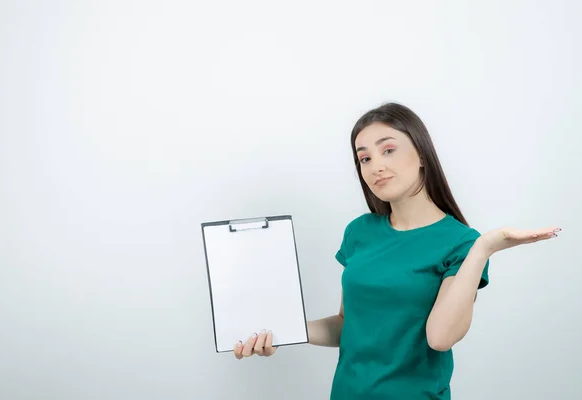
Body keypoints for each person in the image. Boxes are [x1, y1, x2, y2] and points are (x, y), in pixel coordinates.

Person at [232, 102, 560, 399]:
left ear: (421, 154)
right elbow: (349, 325)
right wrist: (283, 329)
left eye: (387, 150)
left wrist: (484, 248)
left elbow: (440, 338)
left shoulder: (461, 243)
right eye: (364, 158)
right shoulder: (359, 232)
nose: (376, 166)